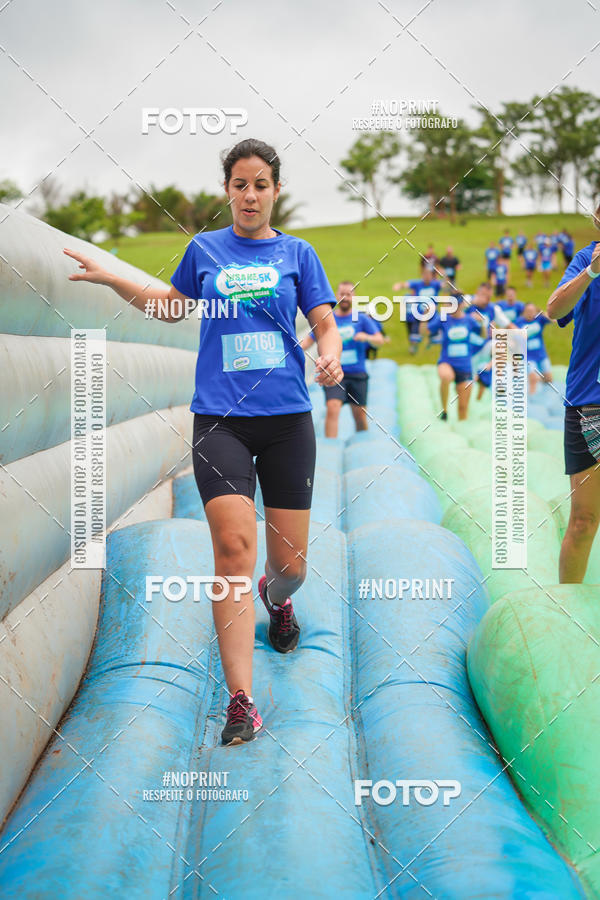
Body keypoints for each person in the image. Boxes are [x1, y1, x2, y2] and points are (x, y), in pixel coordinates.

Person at [63, 138, 343, 746]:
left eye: (260, 184)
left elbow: (323, 319)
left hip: (288, 419)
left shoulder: (299, 253)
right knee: (233, 550)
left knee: (289, 565)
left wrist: (330, 354)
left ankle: (280, 597)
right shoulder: (204, 250)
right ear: (227, 191)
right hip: (220, 420)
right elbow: (170, 307)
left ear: (275, 192)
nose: (249, 195)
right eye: (239, 184)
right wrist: (114, 278)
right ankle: (241, 701)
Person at [547, 215, 600, 583]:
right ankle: (565, 621)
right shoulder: (584, 260)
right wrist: (593, 271)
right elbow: (554, 310)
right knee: (584, 520)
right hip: (589, 404)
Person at [301, 281, 383, 436]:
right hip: (333, 371)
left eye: (349, 294)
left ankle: (362, 442)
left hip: (357, 373)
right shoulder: (328, 319)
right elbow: (307, 341)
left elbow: (379, 339)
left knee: (359, 415)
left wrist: (366, 337)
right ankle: (331, 448)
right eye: (342, 294)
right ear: (336, 295)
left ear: (354, 297)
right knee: (332, 408)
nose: (345, 297)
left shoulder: (362, 319)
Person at [420, 295, 486, 421]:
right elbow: (424, 333)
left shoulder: (469, 320)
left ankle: (462, 425)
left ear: (462, 305)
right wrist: (425, 317)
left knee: (463, 408)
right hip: (447, 362)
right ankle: (444, 410)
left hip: (465, 366)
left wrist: (482, 323)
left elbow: (482, 335)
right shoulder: (443, 319)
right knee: (446, 376)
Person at [393, 268, 443, 355]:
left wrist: (445, 277)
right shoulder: (417, 284)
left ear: (432, 276)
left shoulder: (435, 284)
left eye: (429, 275)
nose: (427, 277)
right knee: (415, 332)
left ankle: (432, 342)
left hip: (432, 313)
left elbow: (445, 285)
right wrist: (399, 286)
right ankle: (414, 346)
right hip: (419, 313)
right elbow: (406, 284)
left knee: (436, 331)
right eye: (425, 275)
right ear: (422, 275)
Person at [514, 303, 554, 394]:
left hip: (541, 354)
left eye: (532, 311)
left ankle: (545, 396)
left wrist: (542, 313)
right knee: (534, 379)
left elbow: (553, 320)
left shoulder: (539, 319)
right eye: (527, 311)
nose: (530, 313)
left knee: (549, 379)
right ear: (523, 312)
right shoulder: (519, 322)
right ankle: (531, 400)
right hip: (529, 357)